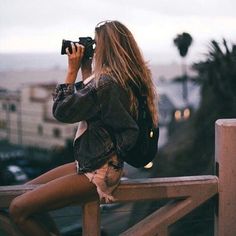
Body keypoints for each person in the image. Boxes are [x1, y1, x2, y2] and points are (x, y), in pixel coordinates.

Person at [8, 20, 158, 236]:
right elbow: (96, 100)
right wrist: (86, 66)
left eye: (97, 45)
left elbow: (63, 111)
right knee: (22, 191)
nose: (94, 50)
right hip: (96, 164)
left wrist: (71, 70)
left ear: (106, 48)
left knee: (18, 208)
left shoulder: (107, 83)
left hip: (99, 171)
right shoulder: (127, 79)